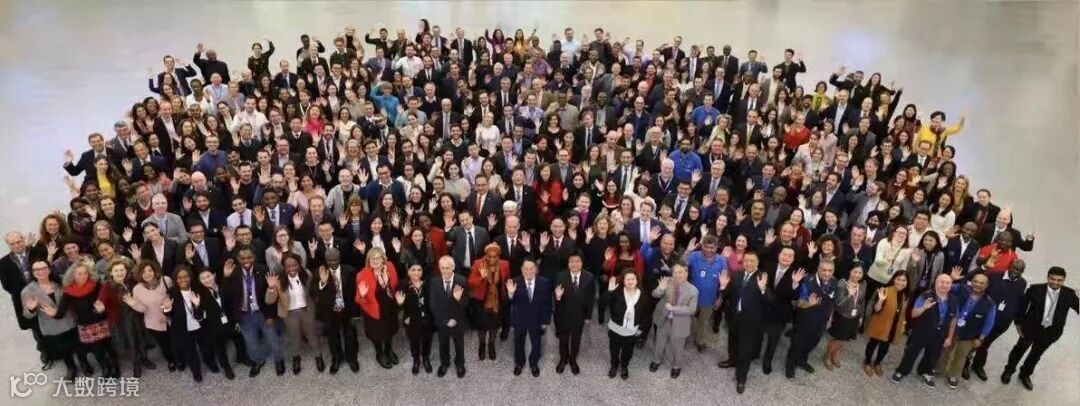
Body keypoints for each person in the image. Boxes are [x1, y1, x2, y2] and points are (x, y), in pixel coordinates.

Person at [1002, 266, 1079, 390]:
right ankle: (1009, 370)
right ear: (1048, 278)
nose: (1055, 282)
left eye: (1059, 280)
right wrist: (1018, 323)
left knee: (1036, 354)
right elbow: (1022, 306)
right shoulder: (1035, 289)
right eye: (1052, 279)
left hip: (1051, 332)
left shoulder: (1069, 294)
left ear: (1063, 280)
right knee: (1019, 350)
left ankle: (1025, 374)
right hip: (1030, 329)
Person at [48, 261, 119, 378]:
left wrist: (103, 308)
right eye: (79, 274)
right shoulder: (68, 292)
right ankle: (105, 367)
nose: (83, 276)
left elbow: (106, 301)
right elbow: (61, 312)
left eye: (85, 273)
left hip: (101, 320)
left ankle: (115, 367)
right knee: (96, 350)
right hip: (86, 325)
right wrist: (53, 314)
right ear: (73, 275)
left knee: (108, 346)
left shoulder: (96, 286)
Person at [225, 247, 283, 377]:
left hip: (263, 312)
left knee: (273, 339)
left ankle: (279, 360)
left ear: (254, 257)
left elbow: (271, 294)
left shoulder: (263, 270)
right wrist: (226, 278)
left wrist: (270, 315)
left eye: (249, 257)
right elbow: (228, 296)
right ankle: (258, 361)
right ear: (238, 259)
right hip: (244, 315)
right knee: (251, 343)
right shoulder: (233, 272)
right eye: (243, 258)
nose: (246, 261)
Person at [892, 273, 957, 388]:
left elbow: (953, 320)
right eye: (942, 282)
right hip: (922, 330)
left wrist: (949, 337)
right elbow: (913, 314)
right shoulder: (925, 296)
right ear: (936, 283)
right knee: (912, 351)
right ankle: (902, 370)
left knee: (933, 354)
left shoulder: (954, 300)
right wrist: (924, 308)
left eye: (948, 283)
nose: (945, 285)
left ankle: (925, 372)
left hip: (940, 333)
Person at [968, 259, 1027, 381]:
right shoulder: (994, 276)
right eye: (1014, 268)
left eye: (1019, 270)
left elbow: (1019, 302)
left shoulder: (1022, 283)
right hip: (984, 318)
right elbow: (980, 291)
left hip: (1002, 323)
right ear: (1009, 266)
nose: (1015, 272)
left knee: (986, 344)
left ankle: (978, 365)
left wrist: (1016, 321)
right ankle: (964, 364)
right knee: (974, 341)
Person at [21, 260, 80, 381]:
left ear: (49, 269)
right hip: (52, 327)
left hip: (70, 320)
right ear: (32, 272)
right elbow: (27, 315)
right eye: (37, 270)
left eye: (44, 268)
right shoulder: (28, 291)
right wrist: (31, 309)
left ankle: (84, 363)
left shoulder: (61, 281)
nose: (41, 271)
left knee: (77, 345)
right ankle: (71, 367)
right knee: (64, 350)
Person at [267, 253, 323, 374]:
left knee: (312, 336)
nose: (291, 268)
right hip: (290, 314)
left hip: (307, 311)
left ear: (299, 264)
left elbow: (313, 292)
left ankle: (318, 356)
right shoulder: (278, 279)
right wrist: (271, 288)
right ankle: (296, 358)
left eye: (294, 265)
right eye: (288, 266)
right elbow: (269, 300)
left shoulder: (307, 274)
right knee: (294, 337)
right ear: (283, 267)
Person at [939, 272, 996, 389]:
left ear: (986, 285)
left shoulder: (990, 303)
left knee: (961, 355)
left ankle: (953, 375)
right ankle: (938, 368)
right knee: (945, 348)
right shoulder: (962, 289)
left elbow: (989, 323)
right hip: (952, 327)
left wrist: (981, 338)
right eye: (975, 281)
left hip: (970, 334)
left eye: (981, 283)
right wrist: (952, 279)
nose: (977, 285)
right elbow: (946, 287)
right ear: (972, 282)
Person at [785, 261, 838, 379]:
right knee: (797, 344)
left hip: (822, 320)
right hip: (805, 320)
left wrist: (830, 317)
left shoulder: (834, 281)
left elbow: (832, 301)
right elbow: (799, 304)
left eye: (830, 270)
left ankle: (801, 360)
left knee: (813, 342)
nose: (827, 273)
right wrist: (810, 304)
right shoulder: (808, 281)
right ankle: (790, 365)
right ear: (818, 269)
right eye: (824, 270)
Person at [648, 263, 699, 378]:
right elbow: (654, 294)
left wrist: (674, 309)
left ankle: (676, 366)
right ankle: (656, 360)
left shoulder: (693, 290)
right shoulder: (667, 281)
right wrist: (660, 289)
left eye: (680, 272)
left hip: (680, 323)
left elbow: (692, 310)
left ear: (686, 273)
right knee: (659, 343)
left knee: (678, 347)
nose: (677, 275)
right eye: (675, 272)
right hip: (664, 319)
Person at [163, 266, 211, 382]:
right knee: (190, 352)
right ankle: (196, 372)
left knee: (206, 347)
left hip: (200, 326)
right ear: (175, 279)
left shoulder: (198, 290)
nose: (183, 279)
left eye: (186, 276)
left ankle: (211, 363)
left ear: (190, 277)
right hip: (183, 328)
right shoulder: (171, 292)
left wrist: (197, 306)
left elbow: (205, 310)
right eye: (179, 277)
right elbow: (168, 314)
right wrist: (167, 308)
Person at [355, 248, 400, 369]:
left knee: (390, 330)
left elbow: (396, 285)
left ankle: (388, 350)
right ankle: (379, 354)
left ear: (383, 259)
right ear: (368, 260)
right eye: (372, 258)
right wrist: (363, 295)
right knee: (377, 334)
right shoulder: (362, 275)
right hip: (373, 311)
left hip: (389, 307)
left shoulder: (390, 267)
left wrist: (387, 284)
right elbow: (359, 300)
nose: (375, 260)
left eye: (378, 257)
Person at [506, 260, 552, 377]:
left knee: (536, 342)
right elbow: (509, 303)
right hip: (520, 319)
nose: (529, 271)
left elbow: (547, 303)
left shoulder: (544, 282)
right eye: (526, 268)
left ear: (536, 269)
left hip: (536, 319)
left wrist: (545, 321)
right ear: (522, 270)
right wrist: (510, 294)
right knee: (518, 342)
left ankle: (534, 364)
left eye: (531, 268)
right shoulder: (514, 282)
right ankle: (519, 363)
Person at [683, 235, 727, 352]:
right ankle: (682, 338)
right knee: (686, 319)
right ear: (702, 246)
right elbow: (681, 264)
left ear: (716, 248)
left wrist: (720, 298)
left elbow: (724, 282)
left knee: (703, 322)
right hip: (691, 297)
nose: (709, 250)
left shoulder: (722, 261)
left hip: (709, 299)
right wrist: (687, 252)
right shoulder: (694, 256)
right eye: (706, 247)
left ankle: (699, 341)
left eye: (712, 247)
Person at [553, 251, 594, 375]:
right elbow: (556, 297)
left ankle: (572, 360)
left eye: (577, 261)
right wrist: (558, 297)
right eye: (572, 261)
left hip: (579, 315)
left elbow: (590, 298)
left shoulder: (589, 277)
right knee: (563, 339)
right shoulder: (560, 275)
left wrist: (588, 316)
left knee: (576, 339)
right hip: (563, 314)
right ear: (568, 263)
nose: (574, 264)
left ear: (582, 263)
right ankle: (563, 359)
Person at [467, 243, 509, 361]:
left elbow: (507, 281)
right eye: (489, 256)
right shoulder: (478, 264)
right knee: (481, 325)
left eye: (494, 257)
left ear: (498, 256)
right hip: (481, 301)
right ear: (485, 255)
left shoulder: (504, 264)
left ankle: (491, 345)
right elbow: (470, 283)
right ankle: (482, 345)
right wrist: (481, 277)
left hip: (497, 301)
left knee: (494, 325)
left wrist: (508, 295)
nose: (492, 259)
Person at [603, 269, 648, 380]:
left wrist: (642, 329)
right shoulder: (616, 291)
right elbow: (602, 303)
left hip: (631, 331)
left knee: (628, 352)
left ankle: (624, 367)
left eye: (633, 279)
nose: (630, 281)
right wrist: (609, 291)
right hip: (615, 329)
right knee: (614, 350)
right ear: (623, 281)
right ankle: (614, 365)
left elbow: (646, 314)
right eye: (627, 279)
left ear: (637, 281)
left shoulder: (643, 295)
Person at [194, 267, 237, 380]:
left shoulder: (223, 285)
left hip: (230, 320)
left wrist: (237, 320)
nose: (206, 280)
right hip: (214, 325)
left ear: (213, 275)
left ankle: (242, 357)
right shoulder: (199, 294)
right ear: (199, 281)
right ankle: (226, 367)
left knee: (238, 339)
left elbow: (233, 303)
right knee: (220, 348)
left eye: (208, 276)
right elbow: (198, 317)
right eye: (203, 278)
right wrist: (197, 306)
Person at [429, 255, 468, 378]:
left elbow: (467, 304)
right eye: (442, 268)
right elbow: (433, 305)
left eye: (447, 268)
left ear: (453, 267)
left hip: (458, 321)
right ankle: (444, 363)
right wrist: (445, 321)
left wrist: (459, 299)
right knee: (443, 344)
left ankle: (460, 364)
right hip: (442, 322)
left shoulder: (462, 281)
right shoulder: (434, 282)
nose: (445, 271)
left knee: (459, 344)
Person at [823, 265, 866, 370]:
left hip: (854, 317)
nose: (857, 275)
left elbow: (862, 302)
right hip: (842, 317)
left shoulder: (863, 285)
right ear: (850, 271)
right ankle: (827, 356)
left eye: (860, 273)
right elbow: (838, 303)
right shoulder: (842, 284)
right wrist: (849, 295)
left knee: (843, 339)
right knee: (837, 339)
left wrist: (861, 316)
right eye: (855, 272)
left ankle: (835, 354)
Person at [398, 264, 434, 375]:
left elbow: (434, 302)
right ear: (408, 271)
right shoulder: (403, 285)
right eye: (413, 270)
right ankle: (416, 360)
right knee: (414, 341)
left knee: (427, 340)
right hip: (411, 319)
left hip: (427, 319)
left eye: (419, 270)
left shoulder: (428, 284)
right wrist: (400, 304)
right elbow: (398, 307)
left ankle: (426, 358)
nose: (416, 272)